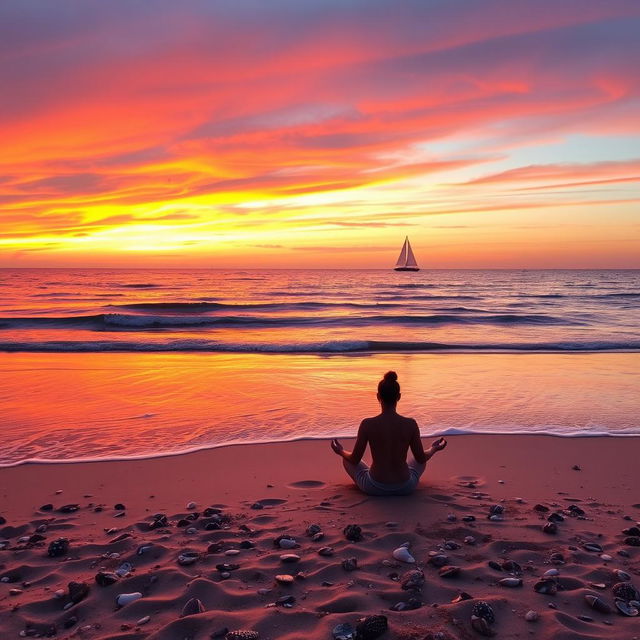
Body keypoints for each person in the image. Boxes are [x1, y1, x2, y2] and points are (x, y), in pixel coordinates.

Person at [330, 371, 447, 496]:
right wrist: (433, 449)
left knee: (346, 460)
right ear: (399, 396)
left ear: (378, 396)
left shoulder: (367, 424)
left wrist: (341, 451)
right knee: (420, 459)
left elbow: (354, 459)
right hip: (405, 487)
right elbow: (421, 459)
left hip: (374, 486)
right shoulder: (410, 424)